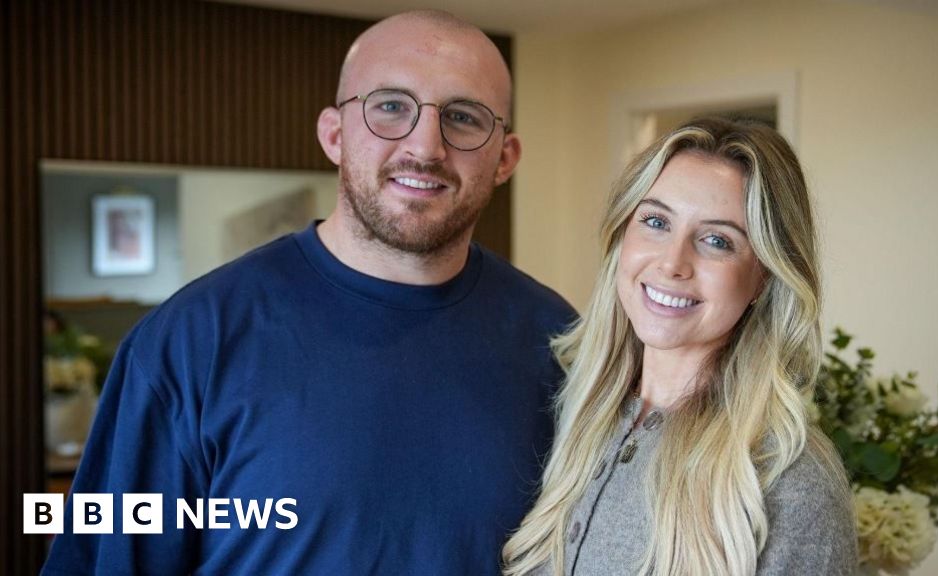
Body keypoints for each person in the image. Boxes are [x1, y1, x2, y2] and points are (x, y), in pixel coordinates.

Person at [43, 10, 574, 575]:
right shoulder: (188, 341)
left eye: (463, 117)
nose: (425, 147)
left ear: (505, 159)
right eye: (390, 106)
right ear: (334, 135)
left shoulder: (560, 343)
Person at [502, 117, 857, 576]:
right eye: (656, 221)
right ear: (622, 236)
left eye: (717, 240)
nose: (673, 263)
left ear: (764, 277)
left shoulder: (789, 480)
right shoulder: (571, 413)